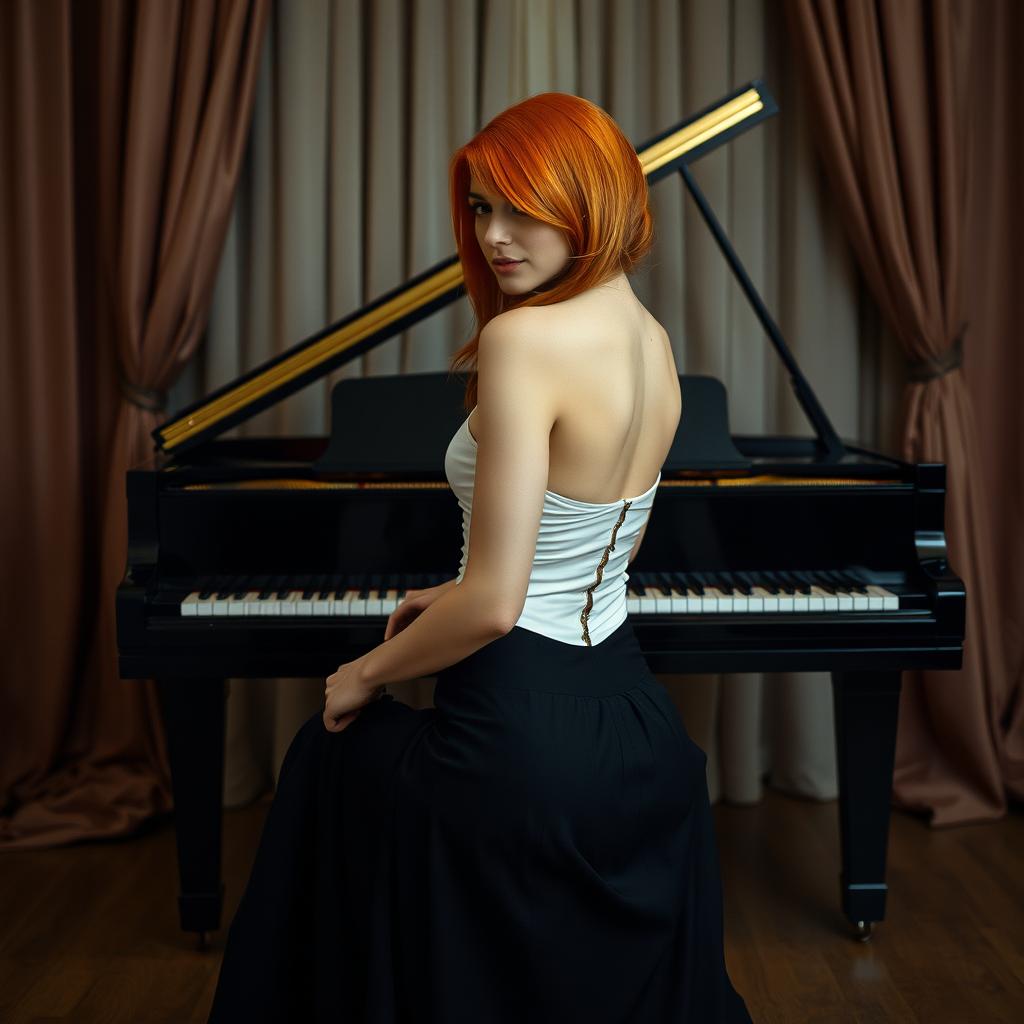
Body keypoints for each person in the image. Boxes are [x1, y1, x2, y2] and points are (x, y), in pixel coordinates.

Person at [207, 92, 753, 1023]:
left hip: (518, 738)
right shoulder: (655, 344)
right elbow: (565, 558)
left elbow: (499, 607)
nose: (494, 235)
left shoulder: (521, 340)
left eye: (519, 206)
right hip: (633, 724)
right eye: (479, 208)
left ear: (587, 195)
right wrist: (453, 592)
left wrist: (362, 673)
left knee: (325, 754)